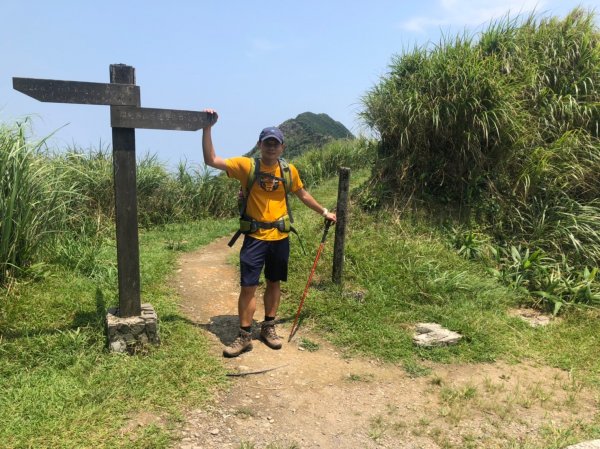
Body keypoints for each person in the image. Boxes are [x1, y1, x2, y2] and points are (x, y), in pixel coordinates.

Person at [201, 109, 336, 357]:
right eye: (267, 143)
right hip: (254, 237)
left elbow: (302, 194)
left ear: (282, 147)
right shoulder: (245, 166)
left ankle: (268, 327)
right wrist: (207, 127)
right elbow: (211, 159)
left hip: (280, 238)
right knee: (248, 286)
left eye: (275, 144)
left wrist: (324, 211)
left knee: (274, 283)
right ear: (260, 145)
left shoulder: (289, 171)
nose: (271, 148)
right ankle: (244, 335)